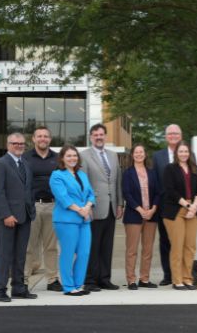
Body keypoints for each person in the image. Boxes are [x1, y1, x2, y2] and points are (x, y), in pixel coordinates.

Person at [0, 132, 37, 302]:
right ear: (8, 144)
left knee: (20, 254)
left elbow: (28, 190)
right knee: (4, 254)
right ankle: (0, 290)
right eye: (15, 143)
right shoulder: (0, 164)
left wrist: (31, 210)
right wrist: (6, 214)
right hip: (6, 218)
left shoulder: (25, 163)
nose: (18, 146)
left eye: (21, 143)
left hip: (24, 216)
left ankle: (18, 288)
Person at [79, 124, 123, 291]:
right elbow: (83, 182)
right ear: (91, 137)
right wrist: (86, 206)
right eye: (95, 134)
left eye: (101, 134)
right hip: (94, 208)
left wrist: (119, 203)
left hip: (111, 208)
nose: (99, 137)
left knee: (107, 246)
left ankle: (105, 278)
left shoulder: (113, 156)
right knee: (93, 246)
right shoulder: (84, 156)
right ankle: (90, 280)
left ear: (105, 136)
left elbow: (117, 181)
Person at [49, 145, 96, 296]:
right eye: (68, 156)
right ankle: (69, 286)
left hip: (84, 219)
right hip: (67, 220)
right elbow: (63, 197)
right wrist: (80, 210)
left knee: (84, 253)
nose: (72, 158)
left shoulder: (82, 174)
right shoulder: (57, 175)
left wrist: (87, 207)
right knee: (68, 253)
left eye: (74, 155)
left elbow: (91, 194)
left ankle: (78, 284)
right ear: (62, 158)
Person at [22, 126, 62, 292]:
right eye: (39, 136)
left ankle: (52, 279)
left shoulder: (57, 158)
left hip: (53, 206)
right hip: (33, 206)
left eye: (46, 136)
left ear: (50, 139)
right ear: (34, 139)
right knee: (29, 246)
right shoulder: (25, 157)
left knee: (51, 246)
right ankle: (23, 280)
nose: (43, 139)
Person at [162, 141, 197, 290]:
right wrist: (187, 205)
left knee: (190, 246)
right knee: (177, 246)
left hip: (193, 211)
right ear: (176, 153)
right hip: (175, 211)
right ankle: (177, 280)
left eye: (186, 151)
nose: (184, 154)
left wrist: (194, 206)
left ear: (189, 153)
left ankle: (187, 278)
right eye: (181, 151)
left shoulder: (196, 169)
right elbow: (170, 191)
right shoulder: (170, 169)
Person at [122, 144, 161, 290]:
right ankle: (131, 280)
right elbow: (127, 194)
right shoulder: (127, 173)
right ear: (132, 155)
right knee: (132, 250)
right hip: (134, 215)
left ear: (145, 154)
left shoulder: (152, 173)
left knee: (148, 249)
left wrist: (153, 209)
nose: (139, 154)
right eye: (136, 152)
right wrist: (140, 210)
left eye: (141, 152)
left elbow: (158, 192)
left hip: (151, 215)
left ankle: (144, 279)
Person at [152, 124, 182, 286]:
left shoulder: (188, 154)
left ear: (181, 135)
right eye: (170, 134)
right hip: (165, 207)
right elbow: (155, 182)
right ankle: (168, 275)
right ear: (165, 136)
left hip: (183, 206)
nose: (173, 136)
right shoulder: (158, 156)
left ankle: (182, 274)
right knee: (165, 241)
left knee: (181, 241)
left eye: (176, 133)